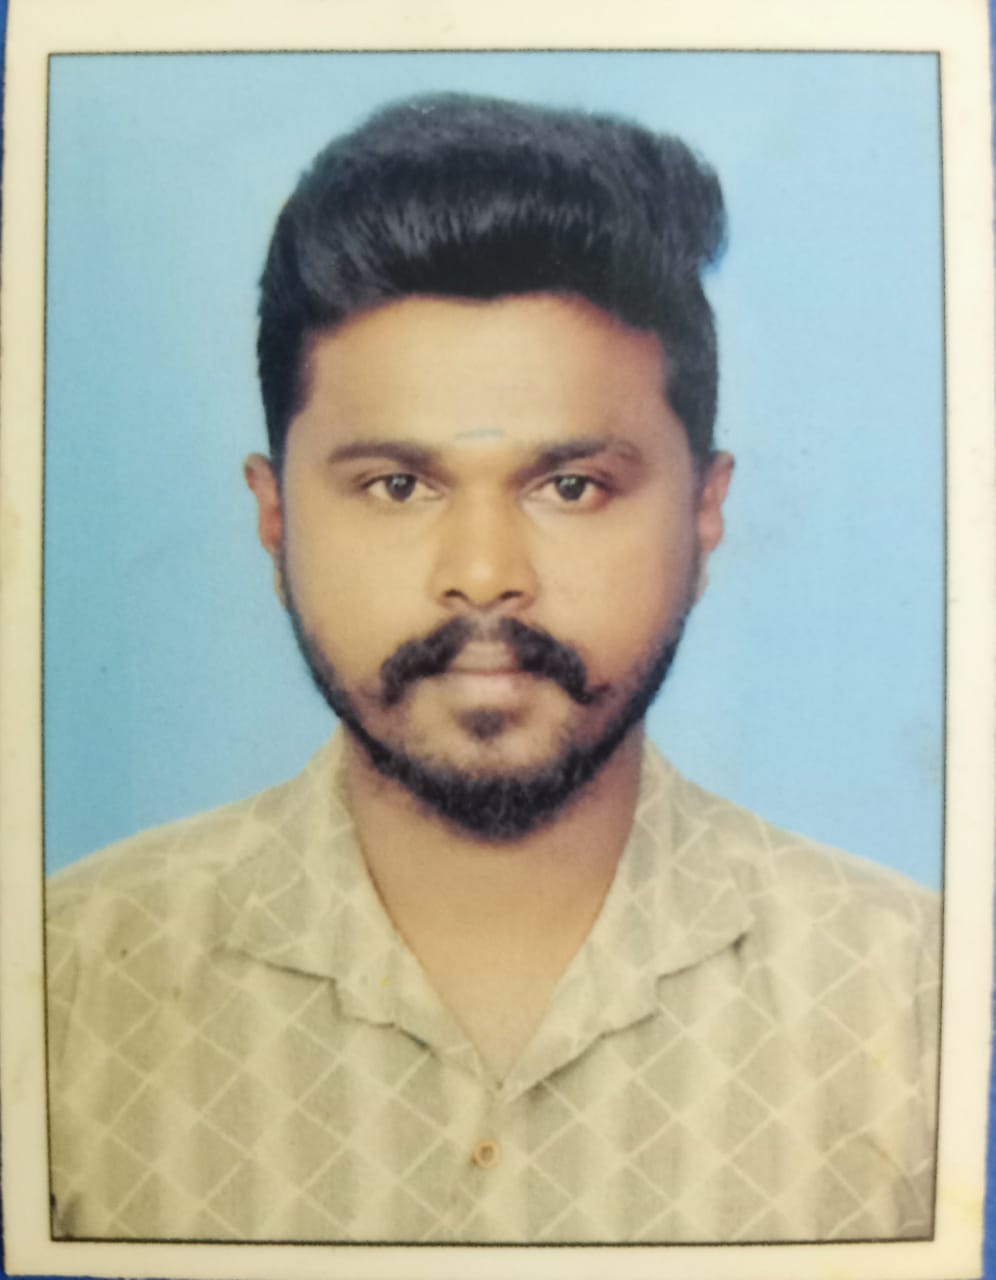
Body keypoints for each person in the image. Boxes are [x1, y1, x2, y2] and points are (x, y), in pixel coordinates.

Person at [46, 92, 939, 1244]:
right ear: (273, 518)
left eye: (570, 485)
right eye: (397, 485)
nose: (482, 575)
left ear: (706, 513)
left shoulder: (916, 996)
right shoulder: (60, 985)